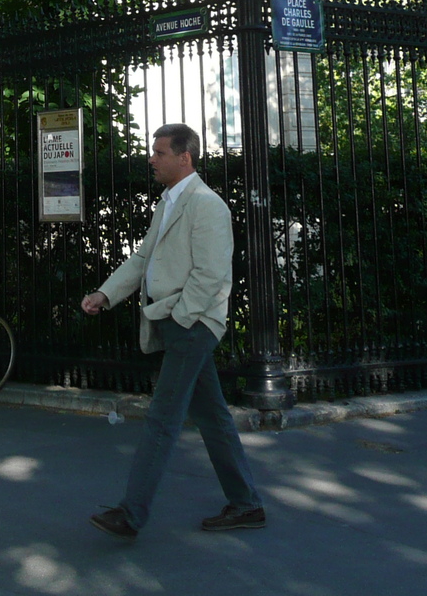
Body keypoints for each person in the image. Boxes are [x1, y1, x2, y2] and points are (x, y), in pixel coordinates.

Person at [80, 123, 264, 540]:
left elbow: (212, 274)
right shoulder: (168, 203)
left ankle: (131, 513)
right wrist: (104, 294)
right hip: (179, 322)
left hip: (192, 325)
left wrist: (183, 318)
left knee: (163, 418)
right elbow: (144, 258)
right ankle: (247, 504)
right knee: (213, 417)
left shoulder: (207, 204)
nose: (152, 158)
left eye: (160, 152)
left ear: (185, 157)